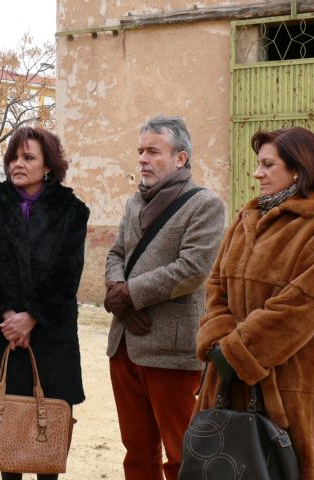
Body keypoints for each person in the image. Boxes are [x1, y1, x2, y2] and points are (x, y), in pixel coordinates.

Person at [194, 127, 314, 479]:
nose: (257, 173)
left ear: (298, 169)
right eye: (257, 164)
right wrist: (220, 339)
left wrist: (238, 350)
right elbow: (216, 283)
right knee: (222, 465)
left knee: (286, 466)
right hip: (226, 370)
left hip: (289, 374)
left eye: (267, 164)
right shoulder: (246, 217)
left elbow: (303, 304)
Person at [0, 126, 89, 480]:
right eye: (13, 157)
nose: (18, 164)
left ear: (48, 165)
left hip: (50, 337)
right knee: (5, 441)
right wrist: (7, 317)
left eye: (28, 157)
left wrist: (32, 316)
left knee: (46, 438)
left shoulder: (71, 211)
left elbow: (68, 274)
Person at [105, 115, 225, 480]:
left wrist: (130, 295)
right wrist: (118, 296)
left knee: (181, 454)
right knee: (137, 451)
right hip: (125, 342)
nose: (142, 158)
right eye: (140, 150)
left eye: (152, 151)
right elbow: (115, 255)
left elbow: (192, 269)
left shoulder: (205, 205)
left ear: (180, 158)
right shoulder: (133, 204)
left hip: (172, 352)